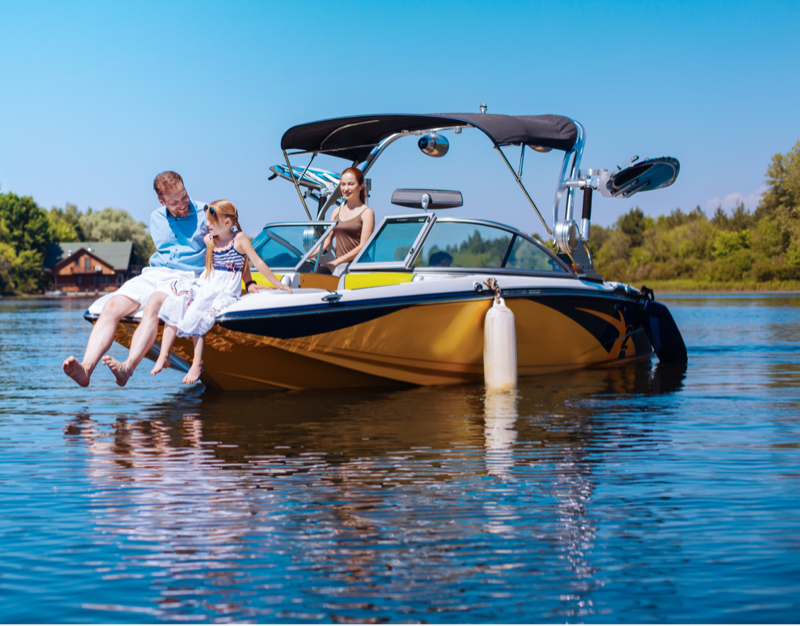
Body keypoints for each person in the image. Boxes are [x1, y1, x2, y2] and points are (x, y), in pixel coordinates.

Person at [62, 172, 259, 387]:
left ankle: (127, 367)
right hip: (154, 273)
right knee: (111, 306)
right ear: (161, 201)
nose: (183, 204)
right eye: (174, 202)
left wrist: (248, 282)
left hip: (186, 276)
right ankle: (86, 368)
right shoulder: (156, 217)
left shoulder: (207, 213)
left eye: (184, 196)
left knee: (154, 304)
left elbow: (236, 245)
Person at [151, 199, 291, 384]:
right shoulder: (210, 240)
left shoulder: (239, 239)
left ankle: (197, 362)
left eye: (211, 222)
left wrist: (277, 285)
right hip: (208, 283)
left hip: (226, 288)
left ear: (227, 223)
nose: (207, 225)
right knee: (179, 303)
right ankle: (164, 354)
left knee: (202, 314)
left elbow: (253, 262)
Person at [315, 167, 375, 276]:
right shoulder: (336, 212)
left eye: (351, 184)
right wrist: (304, 258)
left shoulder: (367, 213)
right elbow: (326, 242)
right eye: (343, 184)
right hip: (340, 267)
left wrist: (335, 262)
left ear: (361, 186)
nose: (346, 188)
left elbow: (363, 246)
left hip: (359, 268)